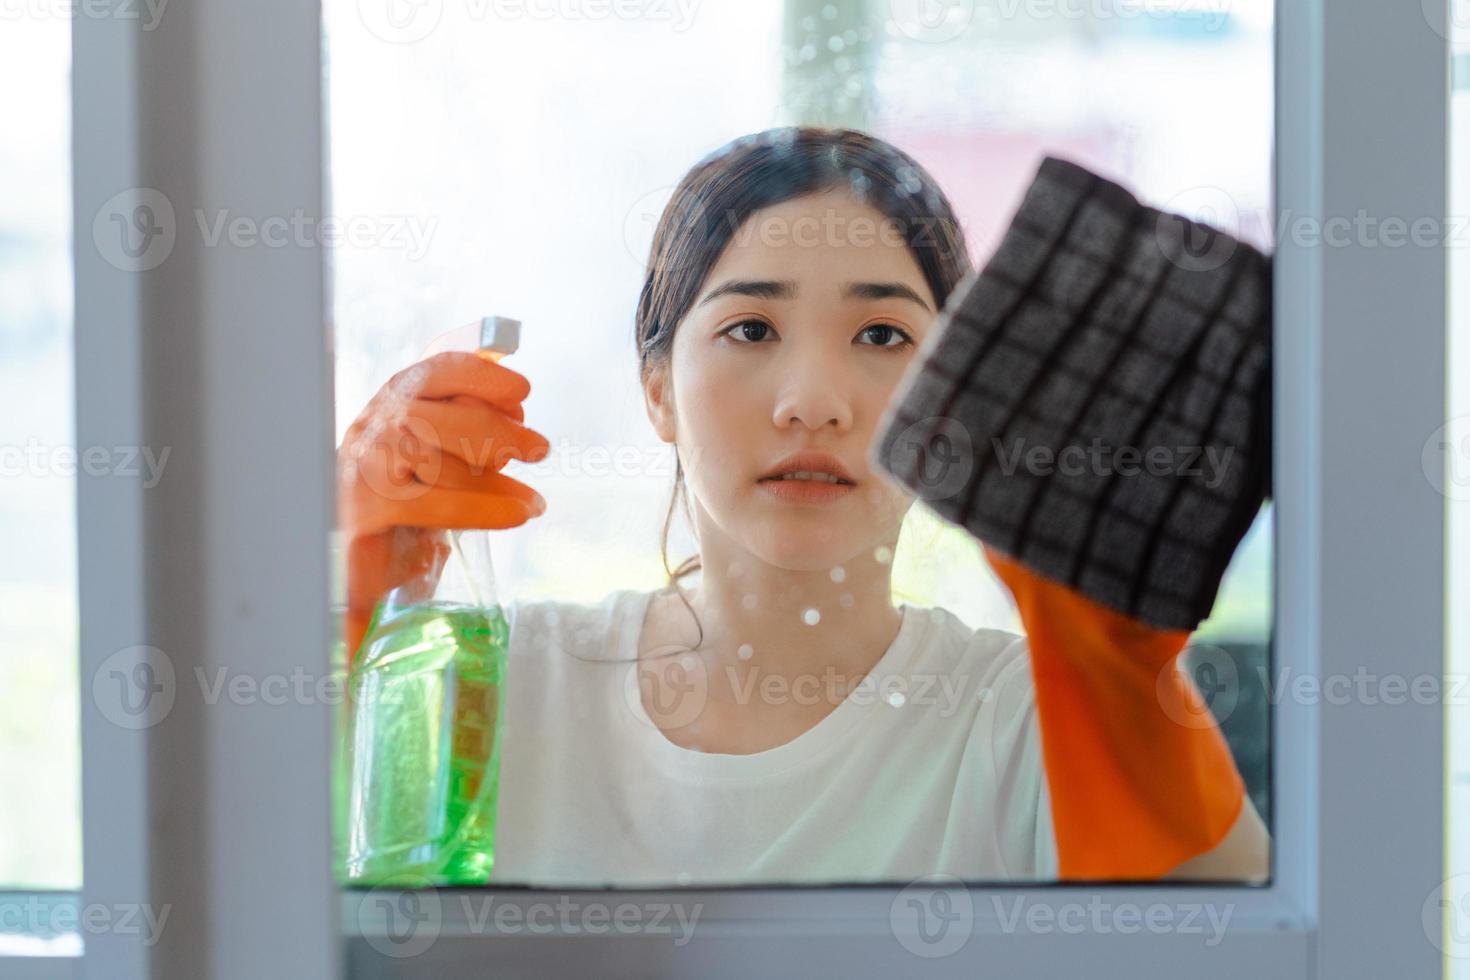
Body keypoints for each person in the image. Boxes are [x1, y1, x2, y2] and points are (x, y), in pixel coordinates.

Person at [337, 127, 1269, 886]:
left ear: (950, 386)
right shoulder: (485, 686)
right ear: (657, 387)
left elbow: (1245, 943)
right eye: (751, 328)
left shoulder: (1020, 720)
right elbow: (235, 879)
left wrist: (1114, 669)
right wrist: (333, 586)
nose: (813, 399)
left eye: (881, 333)